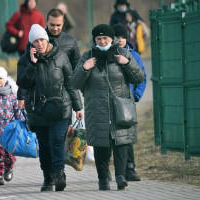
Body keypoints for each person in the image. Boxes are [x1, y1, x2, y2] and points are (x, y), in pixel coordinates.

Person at [71, 24, 145, 190]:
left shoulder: (124, 54)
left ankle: (120, 176)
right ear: (94, 40)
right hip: (97, 110)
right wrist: (84, 68)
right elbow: (74, 83)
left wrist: (127, 64)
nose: (103, 41)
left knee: (121, 143)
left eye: (106, 38)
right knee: (101, 146)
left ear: (112, 39)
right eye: (99, 38)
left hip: (120, 109)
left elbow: (139, 78)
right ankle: (103, 179)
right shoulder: (87, 57)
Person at [17, 24, 83, 192]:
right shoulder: (25, 60)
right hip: (38, 111)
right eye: (35, 41)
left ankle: (59, 174)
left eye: (41, 40)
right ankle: (48, 178)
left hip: (60, 108)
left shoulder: (60, 56)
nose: (39, 44)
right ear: (31, 44)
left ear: (46, 39)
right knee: (44, 146)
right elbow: (23, 84)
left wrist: (78, 107)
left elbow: (70, 82)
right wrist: (32, 64)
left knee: (56, 141)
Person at [17, 8, 81, 109]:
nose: (55, 28)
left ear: (63, 22)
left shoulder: (70, 41)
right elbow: (26, 69)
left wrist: (77, 100)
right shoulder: (35, 40)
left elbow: (76, 68)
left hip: (63, 96)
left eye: (58, 25)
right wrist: (21, 96)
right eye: (52, 25)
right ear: (46, 22)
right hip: (40, 94)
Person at [113, 24, 147, 181]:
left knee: (129, 135)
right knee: (116, 135)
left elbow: (142, 77)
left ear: (127, 38)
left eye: (122, 37)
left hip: (129, 101)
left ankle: (130, 168)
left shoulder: (134, 55)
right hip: (113, 101)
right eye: (117, 37)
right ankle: (117, 168)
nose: (120, 40)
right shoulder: (110, 55)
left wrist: (137, 95)